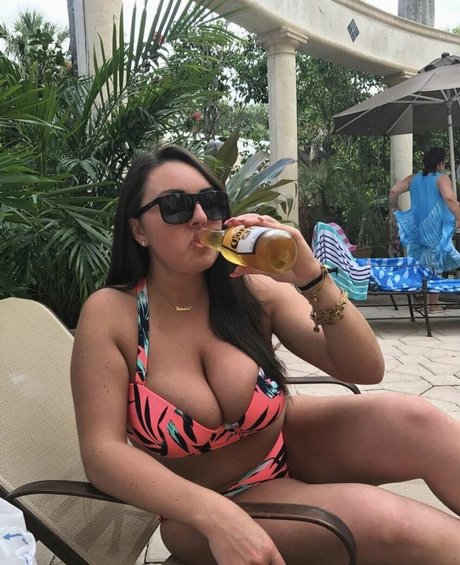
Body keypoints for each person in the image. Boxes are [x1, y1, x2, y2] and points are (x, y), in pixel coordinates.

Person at [71, 145, 460, 565]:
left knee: (418, 422)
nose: (200, 217)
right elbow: (102, 453)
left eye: (211, 202)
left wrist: (310, 277)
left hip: (289, 443)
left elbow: (365, 367)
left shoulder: (250, 292)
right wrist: (216, 515)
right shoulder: (114, 314)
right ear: (138, 230)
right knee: (392, 525)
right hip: (201, 511)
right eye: (175, 206)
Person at [389, 147, 460, 312]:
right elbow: (449, 198)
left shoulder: (413, 178)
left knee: (420, 261)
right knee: (434, 262)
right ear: (440, 164)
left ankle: (419, 300)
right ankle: (433, 304)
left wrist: (395, 207)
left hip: (417, 226)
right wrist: (458, 217)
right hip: (434, 225)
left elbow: (393, 191)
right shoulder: (442, 179)